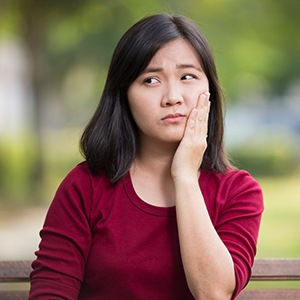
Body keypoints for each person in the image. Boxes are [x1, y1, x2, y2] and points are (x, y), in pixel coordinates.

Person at [29, 14, 263, 300]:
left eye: (187, 76)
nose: (172, 96)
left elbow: (213, 294)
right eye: (150, 80)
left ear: (209, 90)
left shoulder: (238, 192)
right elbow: (51, 290)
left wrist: (186, 177)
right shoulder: (85, 186)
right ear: (124, 94)